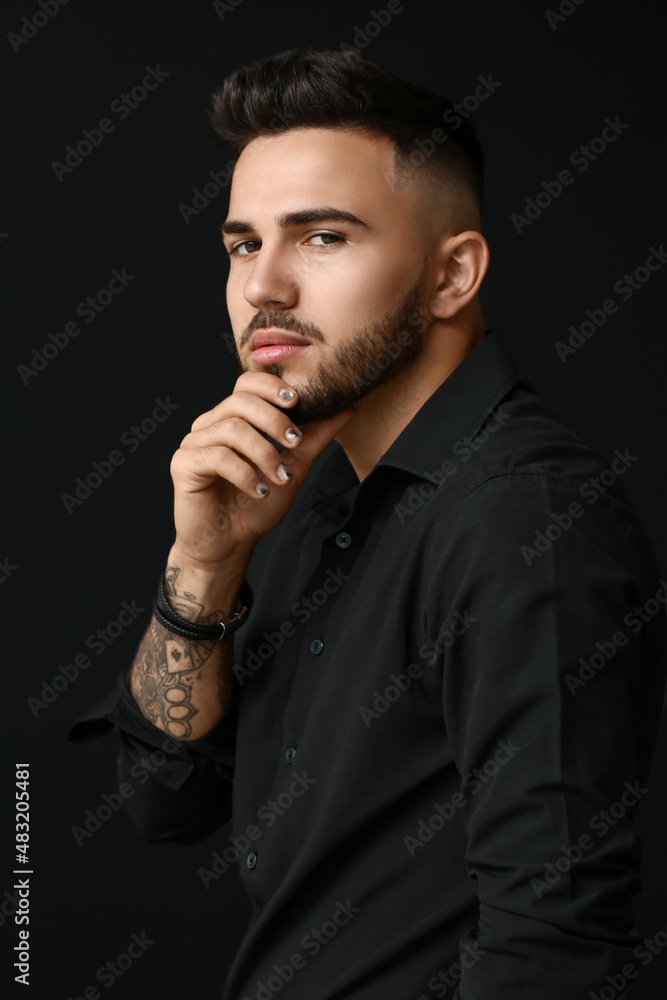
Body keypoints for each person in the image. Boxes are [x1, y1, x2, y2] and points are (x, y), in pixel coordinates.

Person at [69, 48, 667, 1000]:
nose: (264, 286)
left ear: (451, 275)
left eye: (321, 238)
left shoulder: (527, 518)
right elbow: (165, 804)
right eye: (242, 244)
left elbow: (554, 948)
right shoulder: (309, 497)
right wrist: (206, 562)